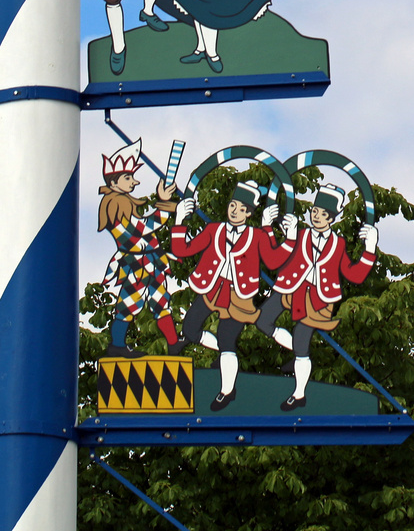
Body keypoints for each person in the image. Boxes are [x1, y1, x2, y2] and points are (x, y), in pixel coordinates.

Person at [171, 178, 292, 411]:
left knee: (227, 339)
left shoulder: (256, 236)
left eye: (242, 209)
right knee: (189, 329)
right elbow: (181, 250)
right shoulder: (213, 230)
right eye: (233, 206)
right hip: (211, 289)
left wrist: (286, 235)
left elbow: (275, 260)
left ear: (249, 213)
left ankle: (227, 390)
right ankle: (224, 355)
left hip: (239, 295)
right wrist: (179, 219)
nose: (235, 211)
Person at [257, 183, 378, 411]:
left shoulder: (337, 244)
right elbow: (274, 258)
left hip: (319, 298)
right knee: (263, 320)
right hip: (290, 289)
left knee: (303, 342)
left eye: (324, 214)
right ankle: (296, 351)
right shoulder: (299, 234)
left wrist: (369, 248)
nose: (318, 217)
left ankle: (299, 393)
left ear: (332, 218)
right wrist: (270, 228)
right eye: (315, 211)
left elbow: (355, 274)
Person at [97, 141, 182, 357]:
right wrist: (164, 203)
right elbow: (144, 228)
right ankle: (117, 345)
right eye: (128, 178)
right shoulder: (114, 205)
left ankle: (173, 343)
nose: (134, 182)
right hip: (137, 264)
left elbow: (146, 228)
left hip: (151, 262)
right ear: (114, 182)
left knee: (160, 302)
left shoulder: (123, 203)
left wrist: (164, 204)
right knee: (129, 304)